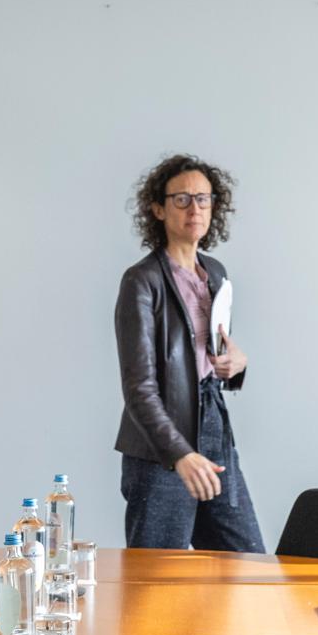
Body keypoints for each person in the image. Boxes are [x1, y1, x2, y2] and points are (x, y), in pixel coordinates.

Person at [113, 153, 263, 552]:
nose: (194, 208)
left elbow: (211, 358)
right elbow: (139, 388)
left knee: (246, 565)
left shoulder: (216, 273)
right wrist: (179, 454)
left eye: (203, 198)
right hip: (161, 446)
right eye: (181, 199)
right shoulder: (142, 281)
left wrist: (237, 366)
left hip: (214, 427)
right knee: (158, 580)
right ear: (158, 209)